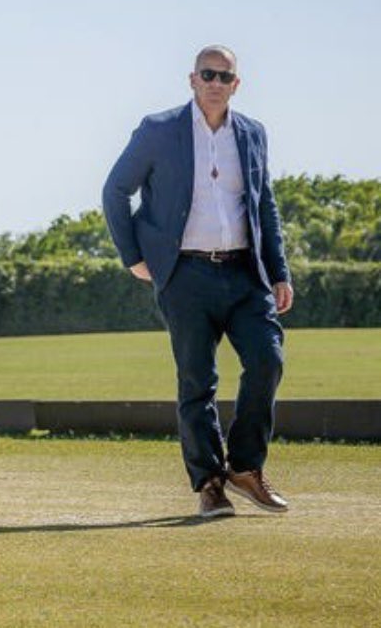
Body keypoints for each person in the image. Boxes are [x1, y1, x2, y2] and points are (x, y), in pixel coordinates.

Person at [102, 45, 293, 519]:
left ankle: (246, 468)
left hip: (245, 273)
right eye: (207, 74)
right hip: (184, 275)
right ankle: (209, 483)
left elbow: (262, 203)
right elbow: (115, 190)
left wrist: (280, 270)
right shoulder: (158, 130)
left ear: (236, 84)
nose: (214, 82)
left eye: (224, 76)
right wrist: (134, 258)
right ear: (191, 80)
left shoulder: (252, 134)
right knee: (197, 382)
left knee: (267, 360)